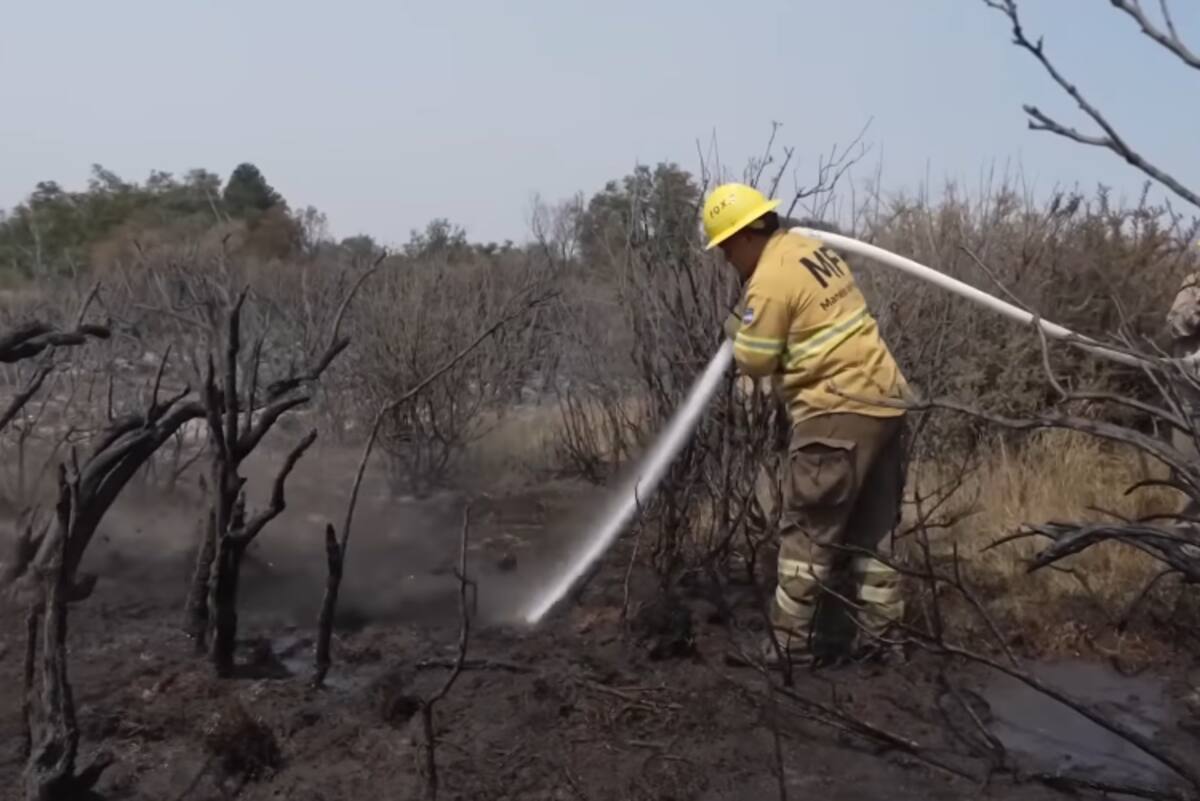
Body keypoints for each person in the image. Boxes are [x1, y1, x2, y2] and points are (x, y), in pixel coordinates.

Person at [702, 182, 910, 666]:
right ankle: (883, 643)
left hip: (835, 413)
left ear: (747, 235)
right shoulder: (810, 251)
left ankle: (789, 645)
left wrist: (736, 327)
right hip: (887, 405)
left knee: (807, 535)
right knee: (875, 535)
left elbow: (754, 360)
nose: (727, 260)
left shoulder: (770, 279)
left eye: (727, 248)